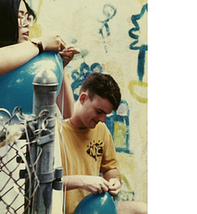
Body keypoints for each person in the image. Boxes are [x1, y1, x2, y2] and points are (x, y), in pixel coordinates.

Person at [0, 0, 79, 213]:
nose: (26, 23)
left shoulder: (29, 65)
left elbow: (67, 111)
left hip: (31, 196)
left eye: (27, 16)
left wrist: (58, 66)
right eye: (19, 17)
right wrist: (39, 45)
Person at [57, 72, 147, 214]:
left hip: (95, 209)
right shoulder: (54, 129)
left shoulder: (101, 129)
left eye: (106, 114)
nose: (103, 119)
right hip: (58, 210)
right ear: (83, 98)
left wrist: (115, 181)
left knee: (143, 210)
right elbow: (40, 183)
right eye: (99, 111)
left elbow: (110, 168)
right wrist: (81, 181)